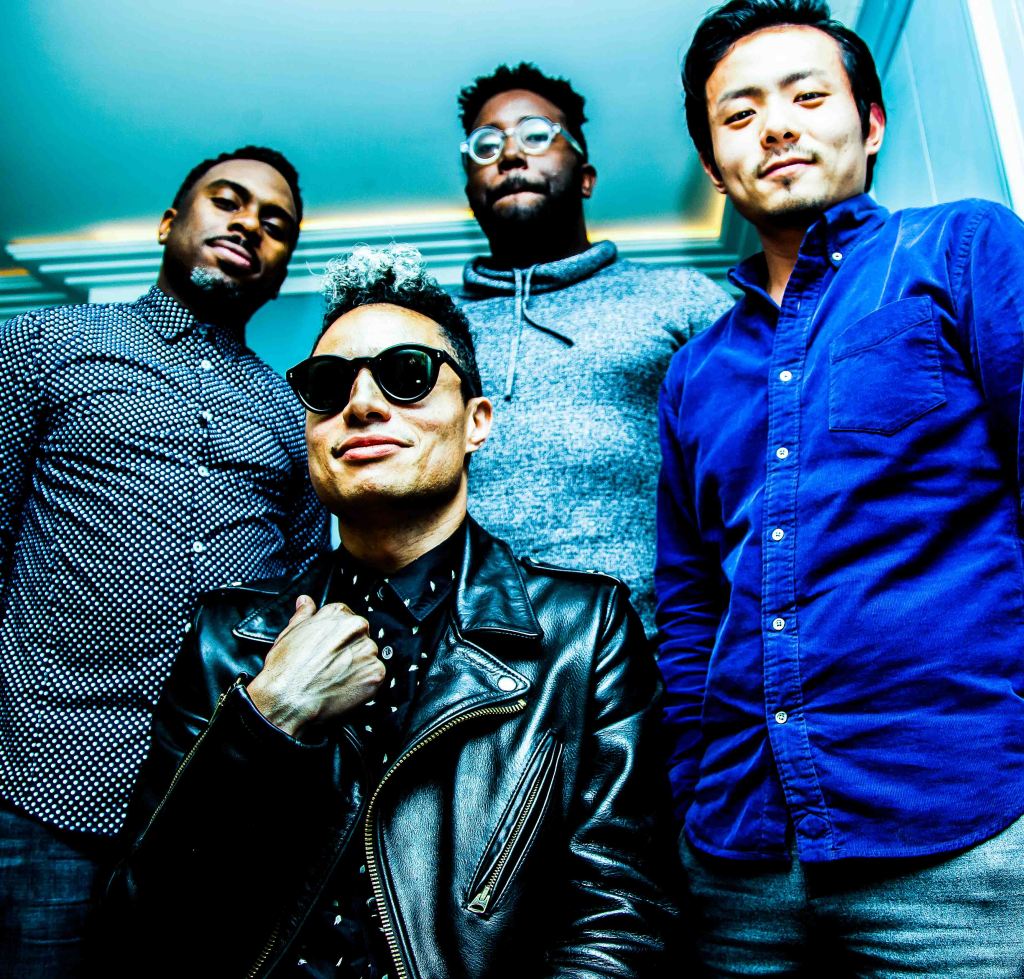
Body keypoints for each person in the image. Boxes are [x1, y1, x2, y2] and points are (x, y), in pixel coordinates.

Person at [107, 245, 675, 979]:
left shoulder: (584, 631)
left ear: (475, 421)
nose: (363, 404)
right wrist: (267, 717)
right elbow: (141, 932)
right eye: (328, 385)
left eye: (407, 375)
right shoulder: (228, 640)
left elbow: (620, 919)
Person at [656, 0, 1024, 973]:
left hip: (961, 834)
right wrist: (691, 791)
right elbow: (689, 606)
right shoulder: (694, 372)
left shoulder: (963, 249)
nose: (775, 127)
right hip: (736, 859)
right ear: (714, 168)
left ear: (871, 124)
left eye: (807, 98)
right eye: (739, 115)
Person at [0, 146, 329, 977]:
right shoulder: (41, 344)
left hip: (215, 800)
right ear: (167, 223)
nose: (250, 224)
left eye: (277, 224)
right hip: (40, 785)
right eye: (228, 200)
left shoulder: (295, 416)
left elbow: (295, 605)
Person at [457, 62, 732, 633]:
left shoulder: (681, 299)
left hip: (653, 651)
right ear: (470, 192)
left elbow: (757, 467)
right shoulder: (430, 328)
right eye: (487, 145)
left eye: (536, 135)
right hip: (465, 659)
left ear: (585, 176)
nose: (510, 154)